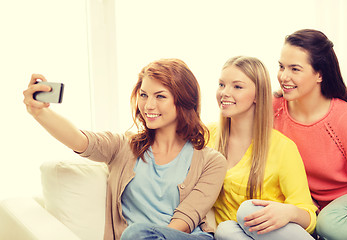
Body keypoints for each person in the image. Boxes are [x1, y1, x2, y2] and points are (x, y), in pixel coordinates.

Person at [23, 58, 227, 240]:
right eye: (144, 95)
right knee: (135, 233)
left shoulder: (212, 161)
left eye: (160, 96)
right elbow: (80, 140)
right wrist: (39, 113)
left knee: (137, 233)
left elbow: (185, 220)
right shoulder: (123, 147)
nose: (148, 105)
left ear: (183, 101)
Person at [207, 56, 317, 240]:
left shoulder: (283, 148)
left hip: (275, 234)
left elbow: (309, 216)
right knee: (225, 230)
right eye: (221, 84)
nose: (224, 93)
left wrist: (289, 213)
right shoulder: (207, 136)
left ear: (258, 95)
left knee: (247, 211)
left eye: (237, 86)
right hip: (232, 235)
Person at [273, 29, 347, 240]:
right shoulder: (274, 109)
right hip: (307, 207)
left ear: (319, 74)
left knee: (329, 222)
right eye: (281, 66)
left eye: (295, 69)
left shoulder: (342, 117)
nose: (284, 76)